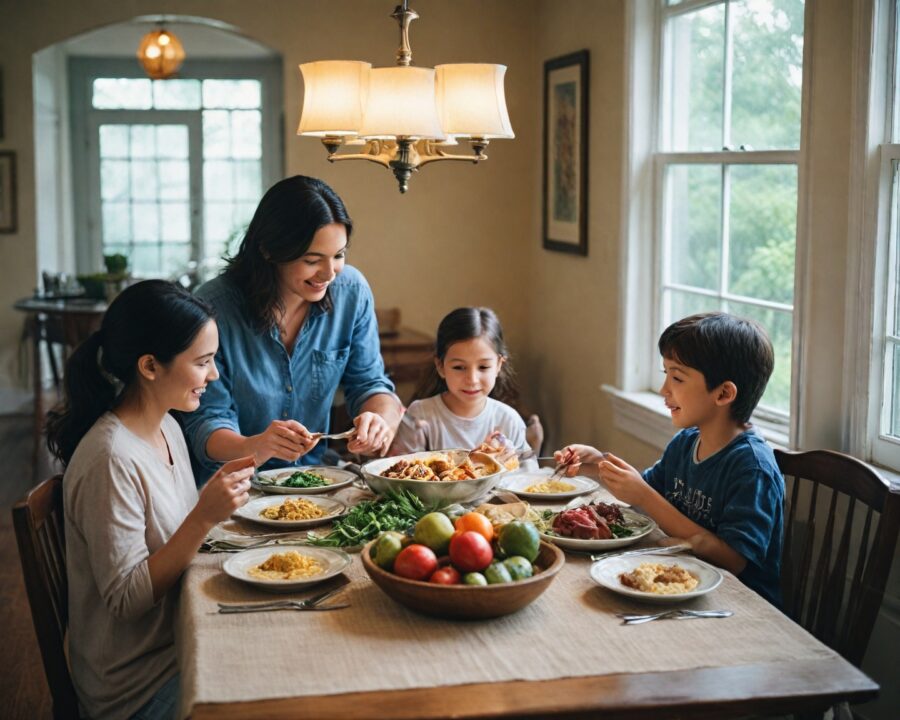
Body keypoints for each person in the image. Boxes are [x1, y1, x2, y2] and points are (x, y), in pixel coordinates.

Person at [45, 280, 255, 720]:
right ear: (150, 366)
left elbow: (171, 529)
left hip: (179, 643)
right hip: (134, 689)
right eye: (202, 362)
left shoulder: (168, 427)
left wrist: (215, 504)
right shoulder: (110, 457)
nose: (213, 375)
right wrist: (204, 516)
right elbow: (126, 598)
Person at [179, 176, 402, 483]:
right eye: (312, 260)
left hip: (315, 477)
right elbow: (205, 422)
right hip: (232, 485)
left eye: (338, 255)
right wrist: (255, 446)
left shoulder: (352, 291)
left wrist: (380, 420)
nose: (329, 273)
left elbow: (370, 383)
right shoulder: (214, 308)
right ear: (269, 250)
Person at [555, 312, 784, 605]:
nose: (664, 390)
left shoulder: (751, 468)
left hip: (737, 605)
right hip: (677, 584)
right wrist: (597, 463)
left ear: (724, 393)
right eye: (666, 375)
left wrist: (646, 497)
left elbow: (735, 561)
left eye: (677, 377)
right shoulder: (687, 441)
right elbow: (644, 492)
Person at [390, 307, 529, 455]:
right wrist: (477, 464)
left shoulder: (508, 420)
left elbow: (528, 474)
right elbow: (402, 472)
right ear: (440, 366)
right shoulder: (420, 414)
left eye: (483, 367)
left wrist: (509, 464)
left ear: (498, 365)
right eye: (459, 367)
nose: (472, 380)